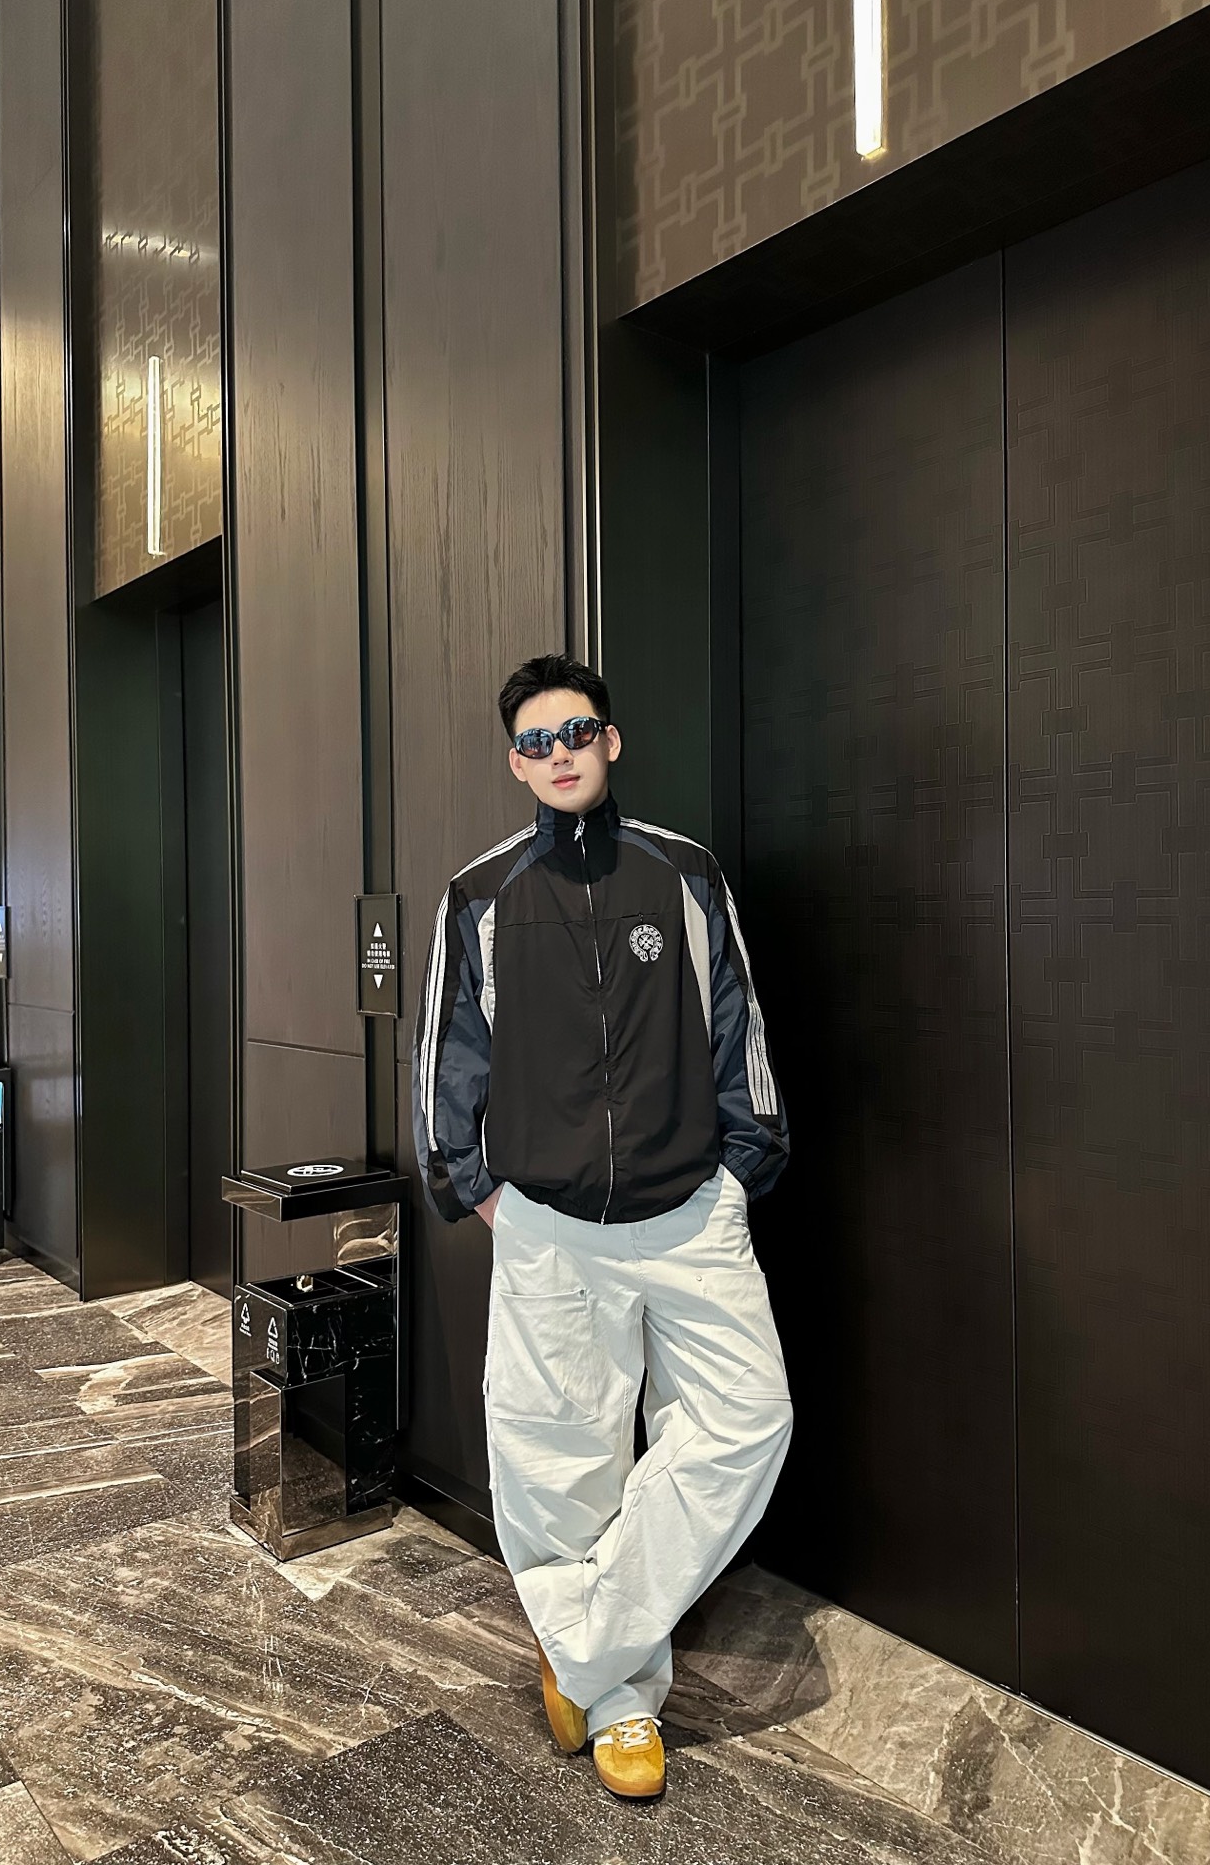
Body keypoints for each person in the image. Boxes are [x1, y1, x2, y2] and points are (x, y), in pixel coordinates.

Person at [409, 652, 793, 1801]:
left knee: (746, 1423)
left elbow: (736, 1023)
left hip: (691, 1211)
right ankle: (623, 1699)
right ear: (514, 762)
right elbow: (448, 1051)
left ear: (610, 741)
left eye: (576, 732)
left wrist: (742, 1166)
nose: (559, 754)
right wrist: (475, 1183)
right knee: (560, 1463)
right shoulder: (481, 894)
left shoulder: (684, 872)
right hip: (550, 1222)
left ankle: (577, 1649)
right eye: (536, 741)